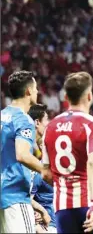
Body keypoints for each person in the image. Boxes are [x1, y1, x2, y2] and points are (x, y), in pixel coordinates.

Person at [41, 72, 93, 233]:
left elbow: (45, 174)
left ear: (65, 96)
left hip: (62, 207)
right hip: (88, 201)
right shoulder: (92, 124)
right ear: (90, 96)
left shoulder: (50, 126)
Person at [1, 70, 43, 233]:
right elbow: (22, 154)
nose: (38, 91)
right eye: (36, 88)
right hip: (15, 194)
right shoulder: (24, 119)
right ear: (28, 91)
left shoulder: (2, 115)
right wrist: (46, 170)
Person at [28, 104, 56, 233]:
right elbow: (27, 197)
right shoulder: (37, 171)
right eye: (46, 119)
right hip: (49, 225)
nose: (49, 123)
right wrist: (37, 212)